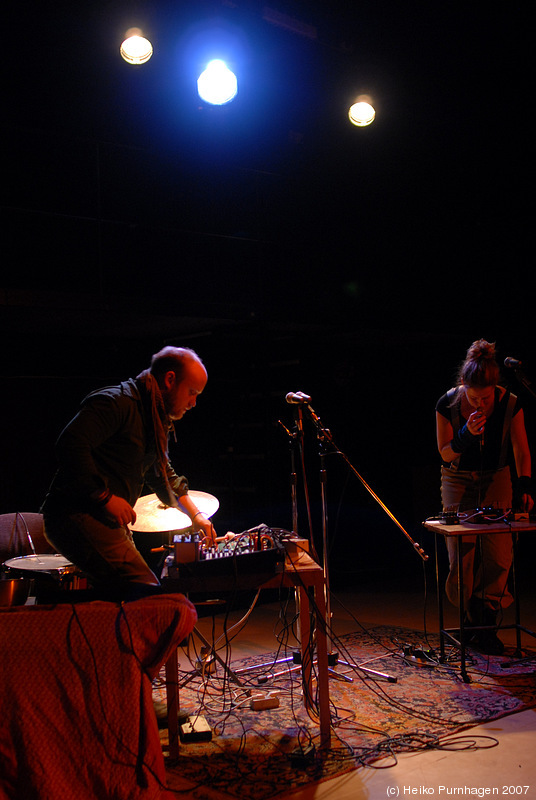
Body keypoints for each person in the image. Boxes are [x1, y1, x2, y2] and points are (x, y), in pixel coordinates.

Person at [41, 346, 217, 600]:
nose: (193, 403)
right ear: (169, 380)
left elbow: (162, 472)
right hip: (75, 515)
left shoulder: (153, 416)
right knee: (144, 593)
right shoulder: (118, 402)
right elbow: (70, 444)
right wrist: (104, 498)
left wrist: (197, 515)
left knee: (128, 595)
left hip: (102, 519)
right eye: (192, 392)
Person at [435, 339, 533, 654]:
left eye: (486, 397)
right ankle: (469, 617)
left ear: (496, 388)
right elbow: (445, 453)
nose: (480, 403)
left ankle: (486, 620)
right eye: (474, 397)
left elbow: (520, 448)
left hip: (497, 477)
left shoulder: (510, 403)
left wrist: (526, 485)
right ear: (463, 386)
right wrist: (465, 435)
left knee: (500, 554)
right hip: (458, 478)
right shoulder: (447, 405)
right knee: (461, 559)